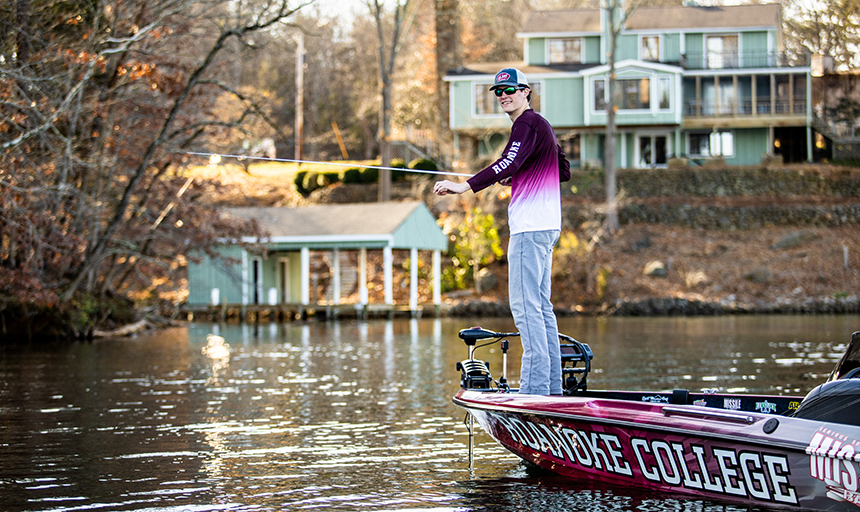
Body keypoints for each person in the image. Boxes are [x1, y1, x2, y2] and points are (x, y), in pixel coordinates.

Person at [434, 68, 570, 395]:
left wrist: (464, 186)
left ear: (526, 91)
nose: (503, 95)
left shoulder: (525, 124)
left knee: (525, 308)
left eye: (509, 89)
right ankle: (551, 388)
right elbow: (561, 169)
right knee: (540, 306)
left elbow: (507, 162)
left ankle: (535, 391)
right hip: (547, 227)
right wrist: (520, 174)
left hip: (529, 229)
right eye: (498, 91)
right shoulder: (541, 126)